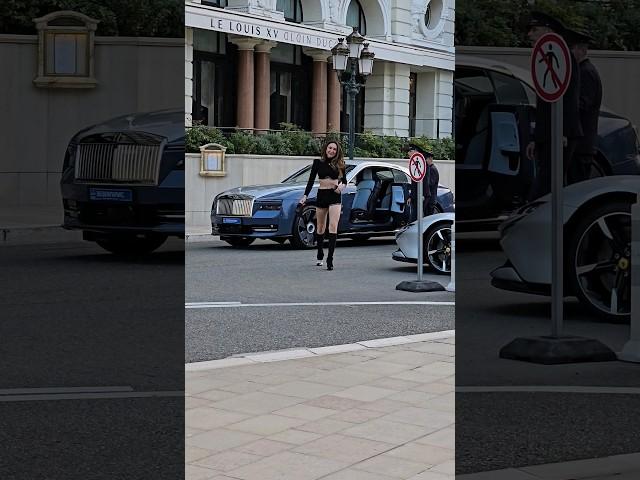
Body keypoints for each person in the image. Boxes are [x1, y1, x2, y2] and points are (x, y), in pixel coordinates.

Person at [526, 11, 583, 200]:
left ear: (548, 31)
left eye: (535, 30)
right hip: (549, 134)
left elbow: (568, 99)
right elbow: (545, 103)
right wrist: (537, 137)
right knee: (549, 184)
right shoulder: (543, 57)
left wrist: (563, 132)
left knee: (547, 186)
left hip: (560, 134)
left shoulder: (563, 56)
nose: (529, 35)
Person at [299, 140, 347, 271]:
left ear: (337, 152)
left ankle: (330, 259)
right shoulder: (317, 163)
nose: (331, 150)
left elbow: (345, 181)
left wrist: (341, 187)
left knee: (333, 226)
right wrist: (305, 195)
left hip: (335, 196)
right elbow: (310, 181)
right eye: (330, 148)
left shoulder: (340, 164)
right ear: (326, 149)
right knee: (320, 227)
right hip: (322, 195)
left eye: (334, 149)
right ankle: (320, 252)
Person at [565, 28, 602, 184]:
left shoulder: (586, 72)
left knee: (577, 187)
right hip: (578, 144)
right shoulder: (581, 71)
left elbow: (582, 105)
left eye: (570, 49)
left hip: (581, 145)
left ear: (581, 50)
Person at [407, 143, 439, 219]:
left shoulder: (431, 168)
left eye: (410, 151)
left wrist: (423, 196)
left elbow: (428, 184)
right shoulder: (417, 165)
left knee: (426, 219)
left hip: (427, 198)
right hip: (423, 196)